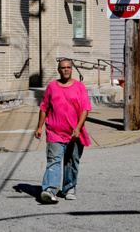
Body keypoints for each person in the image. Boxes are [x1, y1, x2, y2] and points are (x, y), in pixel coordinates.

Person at [33, 59, 91, 204]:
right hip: (54, 131)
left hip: (74, 133)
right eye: (63, 68)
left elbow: (85, 109)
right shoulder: (52, 87)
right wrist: (39, 127)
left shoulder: (79, 87)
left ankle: (69, 189)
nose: (66, 70)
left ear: (72, 70)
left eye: (68, 68)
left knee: (71, 161)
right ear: (59, 70)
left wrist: (78, 127)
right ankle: (50, 191)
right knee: (54, 161)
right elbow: (44, 108)